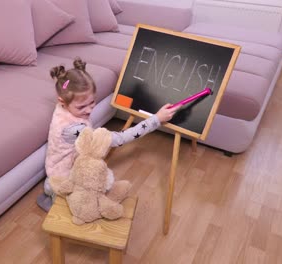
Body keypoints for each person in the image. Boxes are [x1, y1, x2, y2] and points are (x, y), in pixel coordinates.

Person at [36, 58, 180, 212]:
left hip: (57, 172)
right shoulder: (74, 129)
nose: (89, 110)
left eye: (92, 102)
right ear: (62, 101)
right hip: (62, 181)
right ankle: (55, 198)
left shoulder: (62, 111)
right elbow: (119, 139)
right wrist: (156, 119)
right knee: (94, 202)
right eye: (82, 106)